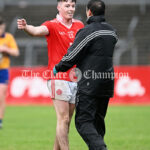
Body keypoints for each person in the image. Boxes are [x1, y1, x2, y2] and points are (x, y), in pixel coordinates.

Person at [17, 0, 84, 150]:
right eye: (67, 5)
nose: (71, 9)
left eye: (73, 6)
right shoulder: (52, 24)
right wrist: (26, 27)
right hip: (58, 78)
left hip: (75, 78)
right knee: (63, 118)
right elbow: (36, 31)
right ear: (59, 7)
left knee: (66, 122)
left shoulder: (80, 26)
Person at [53, 0, 118, 149]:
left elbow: (72, 55)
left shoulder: (87, 31)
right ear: (104, 12)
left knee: (83, 122)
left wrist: (58, 68)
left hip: (89, 83)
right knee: (98, 122)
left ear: (89, 12)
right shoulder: (112, 31)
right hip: (107, 82)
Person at [0, 16, 19, 129]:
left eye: (2, 28)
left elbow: (16, 52)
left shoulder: (8, 37)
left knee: (1, 96)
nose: (1, 30)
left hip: (3, 70)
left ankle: (0, 120)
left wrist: (5, 49)